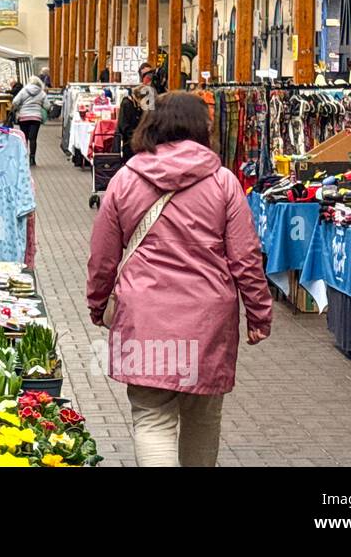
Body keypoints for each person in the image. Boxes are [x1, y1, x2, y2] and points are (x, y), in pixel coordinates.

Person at [86, 92, 272, 467]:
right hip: (207, 320)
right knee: (204, 417)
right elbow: (246, 257)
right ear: (203, 129)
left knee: (152, 417)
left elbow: (103, 255)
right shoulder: (223, 182)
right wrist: (258, 313)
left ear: (151, 126)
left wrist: (97, 301)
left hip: (145, 316)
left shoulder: (124, 180)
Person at [116, 64, 158, 161]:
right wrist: (138, 138)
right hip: (131, 144)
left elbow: (151, 120)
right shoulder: (127, 104)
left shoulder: (148, 99)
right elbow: (124, 127)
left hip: (144, 142)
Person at [11, 75, 47, 166]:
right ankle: (32, 159)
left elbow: (15, 101)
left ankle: (24, 157)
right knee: (33, 138)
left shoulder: (23, 91)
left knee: (24, 137)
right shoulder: (42, 93)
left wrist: (19, 107)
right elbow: (47, 106)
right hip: (36, 117)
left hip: (24, 117)